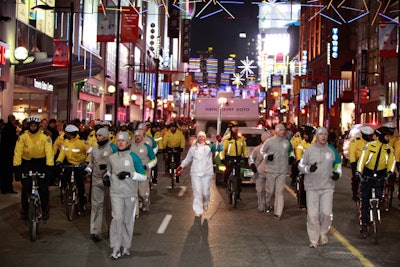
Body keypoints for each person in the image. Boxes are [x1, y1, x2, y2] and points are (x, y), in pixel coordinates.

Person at [105, 131, 147, 259]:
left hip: (130, 193)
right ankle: (116, 247)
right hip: (115, 193)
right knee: (117, 218)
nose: (120, 143)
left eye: (123, 141)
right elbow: (108, 172)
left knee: (128, 220)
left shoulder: (134, 157)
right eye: (118, 141)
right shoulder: (112, 158)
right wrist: (106, 177)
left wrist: (130, 175)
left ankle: (126, 246)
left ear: (128, 143)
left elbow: (143, 176)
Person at [298, 127, 342, 248]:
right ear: (316, 136)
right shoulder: (309, 151)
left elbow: (338, 164)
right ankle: (313, 239)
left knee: (326, 213)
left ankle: (323, 233)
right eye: (321, 134)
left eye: (325, 134)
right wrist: (308, 169)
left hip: (327, 186)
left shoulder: (331, 150)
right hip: (312, 186)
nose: (323, 136)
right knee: (313, 215)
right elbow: (301, 165)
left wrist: (337, 173)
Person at [355, 126, 395, 239]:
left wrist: (390, 172)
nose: (388, 138)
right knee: (365, 199)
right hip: (368, 174)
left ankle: (377, 210)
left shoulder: (389, 149)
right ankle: (364, 224)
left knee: (379, 196)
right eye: (387, 136)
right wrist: (359, 171)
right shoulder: (370, 146)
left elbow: (392, 162)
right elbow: (362, 159)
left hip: (380, 175)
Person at [13, 116, 54, 221]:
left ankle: (45, 209)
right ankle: (25, 210)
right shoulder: (23, 136)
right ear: (28, 126)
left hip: (41, 163)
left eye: (34, 125)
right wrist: (17, 168)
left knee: (43, 189)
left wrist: (49, 167)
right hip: (27, 163)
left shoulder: (45, 137)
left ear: (38, 126)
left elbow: (49, 153)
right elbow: (18, 152)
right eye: (31, 125)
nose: (32, 127)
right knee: (25, 188)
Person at [175, 131, 221, 217]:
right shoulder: (193, 148)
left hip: (207, 173)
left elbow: (220, 149)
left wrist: (219, 141)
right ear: (198, 138)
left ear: (205, 138)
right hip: (195, 173)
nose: (201, 138)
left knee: (205, 192)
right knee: (197, 192)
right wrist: (180, 167)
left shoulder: (209, 147)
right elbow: (187, 159)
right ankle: (198, 210)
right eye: (200, 137)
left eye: (203, 136)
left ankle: (206, 202)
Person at [85, 128, 117, 242]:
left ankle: (111, 228)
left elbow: (117, 163)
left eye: (100, 135)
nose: (98, 137)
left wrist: (109, 172)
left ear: (106, 136)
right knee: (96, 206)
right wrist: (87, 170)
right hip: (96, 180)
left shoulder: (113, 148)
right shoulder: (94, 149)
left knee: (110, 206)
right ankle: (95, 231)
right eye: (96, 135)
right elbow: (91, 164)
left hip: (109, 181)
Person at [260, 123, 294, 219]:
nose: (283, 132)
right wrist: (267, 156)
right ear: (276, 131)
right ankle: (268, 204)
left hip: (282, 170)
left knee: (280, 191)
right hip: (271, 169)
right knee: (270, 191)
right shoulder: (269, 141)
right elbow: (262, 151)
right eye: (281, 130)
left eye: (284, 130)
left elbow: (291, 151)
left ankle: (278, 212)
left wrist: (292, 157)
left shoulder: (287, 142)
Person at [55, 124, 90, 212]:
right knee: (65, 177)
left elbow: (90, 152)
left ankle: (82, 203)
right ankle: (68, 191)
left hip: (79, 164)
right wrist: (59, 161)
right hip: (69, 163)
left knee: (80, 184)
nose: (69, 135)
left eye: (71, 134)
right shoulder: (66, 142)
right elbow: (62, 152)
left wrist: (86, 162)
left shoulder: (82, 142)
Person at [220, 120, 248, 201]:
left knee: (238, 177)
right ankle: (225, 182)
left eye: (236, 127)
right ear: (231, 128)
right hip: (229, 158)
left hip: (238, 158)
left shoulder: (241, 138)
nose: (235, 129)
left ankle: (238, 194)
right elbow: (223, 150)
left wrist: (246, 157)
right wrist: (222, 158)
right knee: (228, 170)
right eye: (234, 127)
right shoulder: (227, 139)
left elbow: (244, 148)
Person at [130, 130, 157, 215]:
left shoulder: (146, 147)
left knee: (142, 192)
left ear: (142, 137)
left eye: (139, 136)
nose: (138, 137)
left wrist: (148, 165)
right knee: (134, 192)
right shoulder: (131, 146)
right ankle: (136, 212)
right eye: (136, 136)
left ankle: (145, 202)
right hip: (134, 171)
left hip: (144, 171)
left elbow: (154, 159)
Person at [348, 126, 374, 201]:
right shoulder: (356, 141)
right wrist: (353, 163)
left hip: (368, 162)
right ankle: (355, 192)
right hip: (357, 161)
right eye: (369, 136)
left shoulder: (372, 142)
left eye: (371, 135)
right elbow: (352, 152)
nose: (370, 137)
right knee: (356, 178)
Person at [248, 130, 271, 212]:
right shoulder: (257, 149)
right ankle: (261, 206)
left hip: (270, 173)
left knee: (270, 191)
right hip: (259, 173)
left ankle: (268, 205)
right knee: (260, 190)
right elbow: (251, 158)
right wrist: (252, 165)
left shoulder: (272, 150)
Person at [294, 124, 316, 209]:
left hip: (316, 167)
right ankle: (303, 202)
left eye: (306, 134)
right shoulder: (301, 144)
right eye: (304, 134)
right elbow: (298, 154)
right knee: (303, 184)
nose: (304, 136)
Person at [0, 114, 18, 194]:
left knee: (4, 172)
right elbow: (13, 141)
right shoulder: (11, 128)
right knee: (8, 172)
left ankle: (4, 188)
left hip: (4, 153)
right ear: (13, 120)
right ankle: (8, 188)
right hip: (9, 153)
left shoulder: (4, 128)